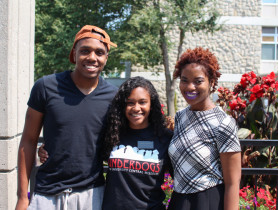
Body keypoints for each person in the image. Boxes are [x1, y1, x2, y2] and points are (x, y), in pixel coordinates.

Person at [16, 25, 118, 210]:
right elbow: (28, 141)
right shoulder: (46, 87)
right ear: (74, 53)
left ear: (106, 58)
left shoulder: (113, 96)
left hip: (92, 195)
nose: (92, 58)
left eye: (99, 52)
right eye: (85, 51)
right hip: (47, 194)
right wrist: (23, 197)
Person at [39, 76, 173, 210]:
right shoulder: (113, 133)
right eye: (130, 102)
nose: (136, 108)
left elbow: (180, 179)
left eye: (142, 102)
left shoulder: (165, 138)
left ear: (151, 104)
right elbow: (82, 143)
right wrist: (48, 149)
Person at [167, 47, 241, 210]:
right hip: (178, 200)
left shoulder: (224, 123)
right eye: (184, 80)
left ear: (212, 82)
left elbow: (232, 183)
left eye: (198, 81)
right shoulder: (180, 117)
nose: (190, 87)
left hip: (208, 202)